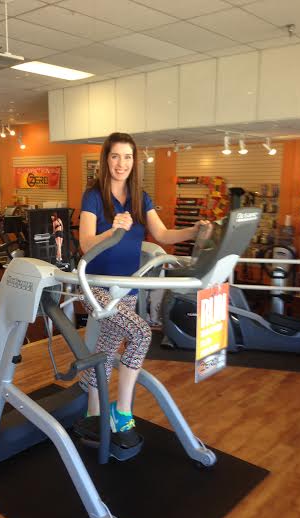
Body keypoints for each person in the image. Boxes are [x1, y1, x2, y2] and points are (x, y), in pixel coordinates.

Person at [78, 132, 211, 449]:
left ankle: (93, 419)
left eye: (127, 157)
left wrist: (195, 230)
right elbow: (85, 244)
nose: (121, 163)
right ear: (106, 159)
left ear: (134, 161)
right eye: (115, 156)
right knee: (140, 333)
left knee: (106, 353)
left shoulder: (140, 197)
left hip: (128, 288)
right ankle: (121, 413)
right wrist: (113, 230)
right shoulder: (94, 196)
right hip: (96, 286)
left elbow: (163, 234)